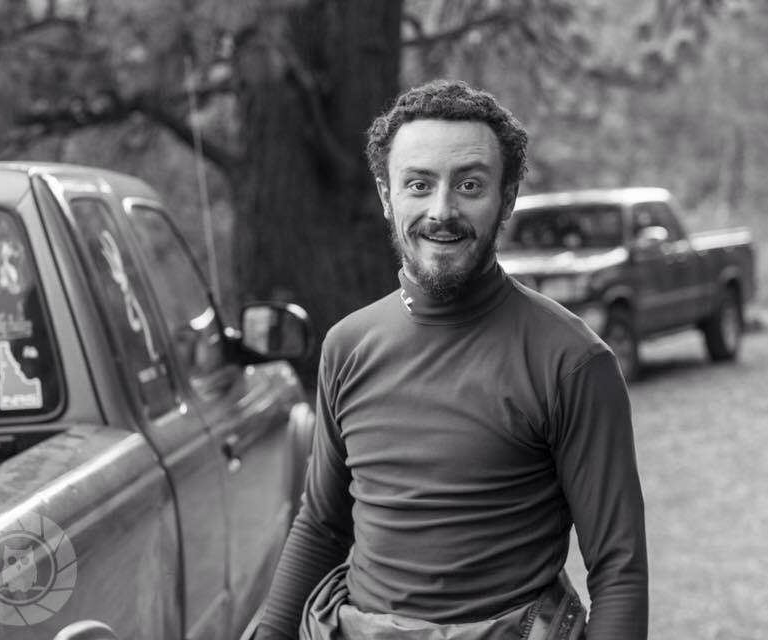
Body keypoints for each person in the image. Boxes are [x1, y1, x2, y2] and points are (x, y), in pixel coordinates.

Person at [255, 79, 647, 640]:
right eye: (419, 184)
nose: (442, 211)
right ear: (387, 195)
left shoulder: (572, 361)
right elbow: (321, 525)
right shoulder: (347, 346)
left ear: (506, 198)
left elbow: (619, 569)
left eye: (469, 185)